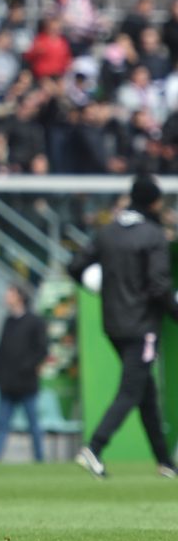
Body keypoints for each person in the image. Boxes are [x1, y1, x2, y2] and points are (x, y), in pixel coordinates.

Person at [68, 174, 178, 479]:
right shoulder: (153, 235)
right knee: (131, 391)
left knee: (145, 393)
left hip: (114, 325)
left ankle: (165, 462)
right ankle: (94, 448)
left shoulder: (108, 233)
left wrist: (94, 285)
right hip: (143, 327)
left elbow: (75, 266)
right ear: (153, 202)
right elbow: (159, 286)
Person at [0, 284, 48, 464]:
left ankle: (40, 459)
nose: (7, 296)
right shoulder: (8, 321)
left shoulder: (35, 321)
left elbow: (42, 350)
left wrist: (26, 368)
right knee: (1, 425)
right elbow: (0, 351)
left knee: (34, 425)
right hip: (7, 385)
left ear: (20, 296)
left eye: (10, 293)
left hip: (27, 384)